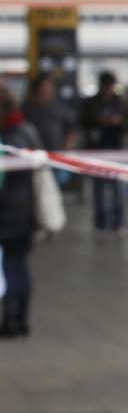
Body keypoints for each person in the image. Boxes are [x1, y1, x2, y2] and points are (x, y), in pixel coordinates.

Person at [0, 82, 42, 336]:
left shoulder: (7, 139)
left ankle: (12, 320)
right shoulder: (29, 131)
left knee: (11, 268)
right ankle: (20, 319)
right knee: (20, 266)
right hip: (25, 209)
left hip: (7, 212)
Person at [79, 69, 128, 235]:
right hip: (97, 150)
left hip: (115, 149)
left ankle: (118, 223)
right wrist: (98, 121)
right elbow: (83, 121)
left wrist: (118, 123)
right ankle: (100, 223)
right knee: (98, 190)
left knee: (116, 188)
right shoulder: (91, 103)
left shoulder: (120, 103)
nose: (108, 89)